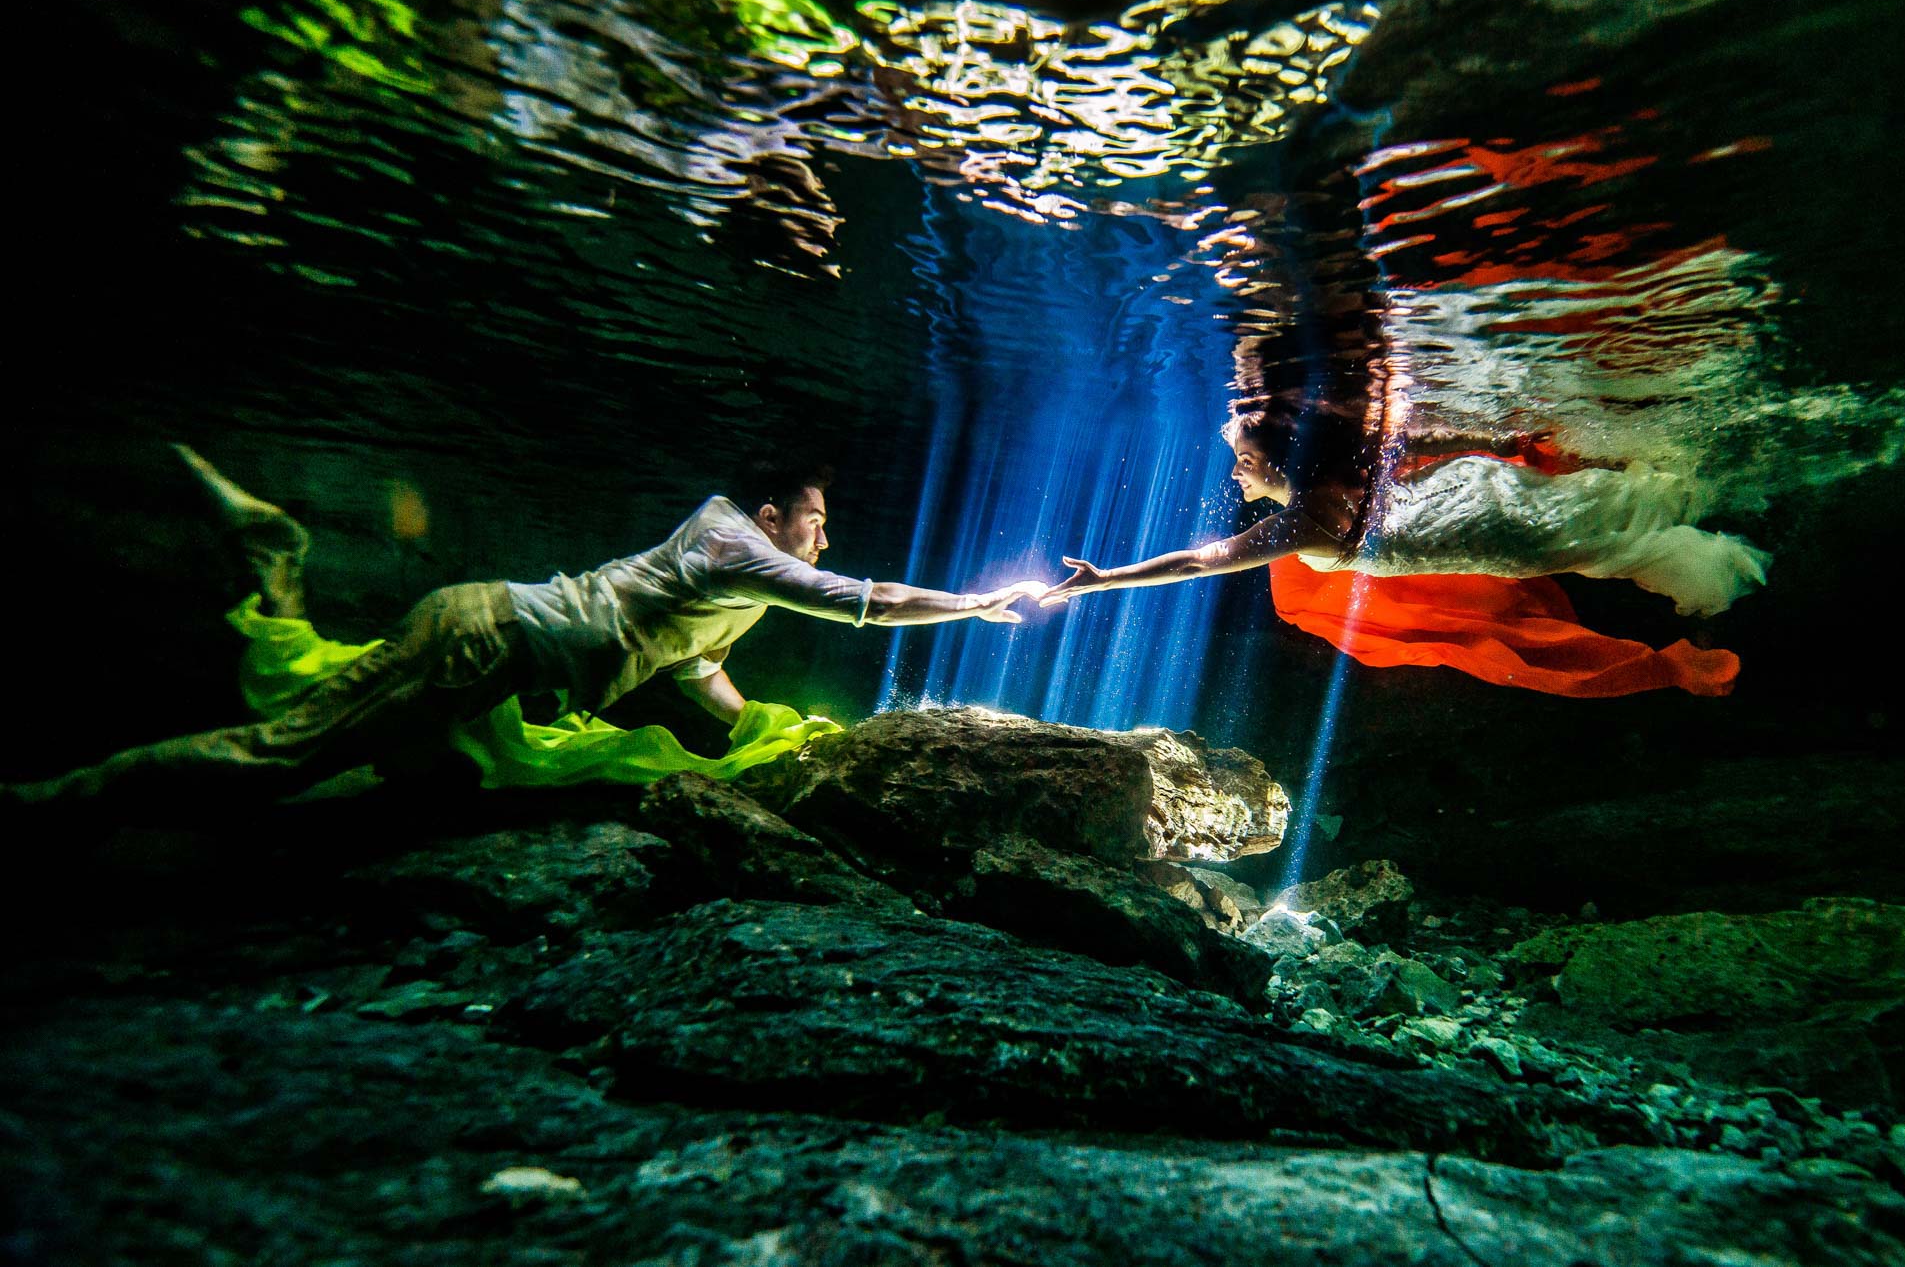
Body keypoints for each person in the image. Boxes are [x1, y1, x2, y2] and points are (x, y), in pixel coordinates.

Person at [10, 448, 1045, 811]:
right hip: (487, 638)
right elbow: (865, 601)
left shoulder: (737, 586)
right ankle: (49, 802)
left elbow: (697, 681)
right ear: (775, 517)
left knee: (396, 767)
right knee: (278, 754)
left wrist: (779, 739)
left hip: (492, 661)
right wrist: (982, 599)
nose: (826, 541)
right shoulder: (732, 542)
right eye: (817, 524)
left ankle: (278, 565)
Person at [1040, 409, 1772, 697]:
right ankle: (1729, 478)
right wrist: (1506, 442)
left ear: (1273, 459)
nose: (1234, 473)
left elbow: (1202, 561)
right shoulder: (1338, 471)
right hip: (1504, 505)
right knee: (1645, 506)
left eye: (1244, 458)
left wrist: (1104, 580)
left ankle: (1729, 493)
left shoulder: (1303, 528)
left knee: (1634, 520)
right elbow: (1421, 440)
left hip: (1519, 525)